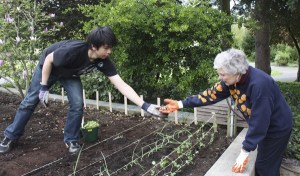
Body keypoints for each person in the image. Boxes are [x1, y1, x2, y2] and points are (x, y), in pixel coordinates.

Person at [0, 26, 164, 154]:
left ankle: (71, 139)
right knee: (30, 101)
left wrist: (145, 106)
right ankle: (10, 136)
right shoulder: (73, 51)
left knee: (78, 103)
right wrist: (43, 87)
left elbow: (121, 84)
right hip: (49, 68)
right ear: (93, 46)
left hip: (70, 73)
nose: (109, 51)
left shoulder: (103, 60)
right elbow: (49, 59)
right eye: (106, 48)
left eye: (110, 48)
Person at [159, 48, 293, 176]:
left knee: (265, 167)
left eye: (222, 74)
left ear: (236, 71)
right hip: (264, 125)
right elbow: (209, 95)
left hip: (276, 128)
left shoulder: (260, 85)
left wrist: (245, 151)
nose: (220, 78)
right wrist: (180, 104)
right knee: (266, 164)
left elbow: (260, 121)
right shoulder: (231, 81)